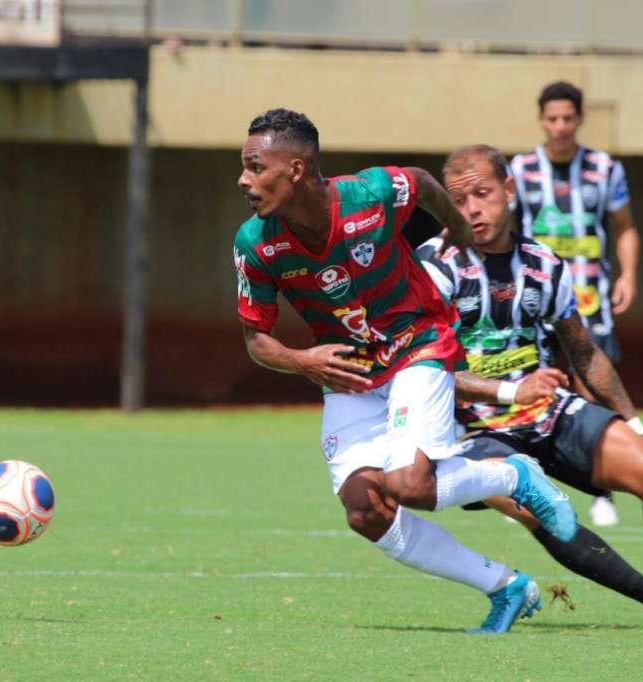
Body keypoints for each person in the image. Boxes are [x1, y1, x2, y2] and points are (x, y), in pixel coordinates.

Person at [232, 108, 576, 634]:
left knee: (411, 485)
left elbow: (419, 183)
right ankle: (505, 586)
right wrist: (303, 361)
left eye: (256, 167)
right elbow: (256, 338)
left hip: (417, 342)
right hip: (349, 371)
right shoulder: (255, 242)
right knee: (364, 510)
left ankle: (516, 475)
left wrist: (457, 228)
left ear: (296, 170)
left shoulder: (369, 194)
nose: (244, 180)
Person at [417, 144, 643, 638]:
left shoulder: (543, 263)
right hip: (469, 431)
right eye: (458, 200)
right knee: (539, 509)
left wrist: (635, 423)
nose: (472, 209)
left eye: (482, 193)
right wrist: (510, 390)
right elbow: (421, 368)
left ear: (510, 191)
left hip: (547, 412)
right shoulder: (433, 267)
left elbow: (584, 354)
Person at [510, 80, 640, 527]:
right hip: (533, 297)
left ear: (580, 118)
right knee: (527, 388)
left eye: (568, 118)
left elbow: (624, 227)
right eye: (552, 118)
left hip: (590, 296)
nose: (560, 126)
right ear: (541, 120)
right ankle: (522, 489)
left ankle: (603, 492)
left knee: (593, 390)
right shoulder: (522, 168)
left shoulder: (605, 169)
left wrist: (629, 275)